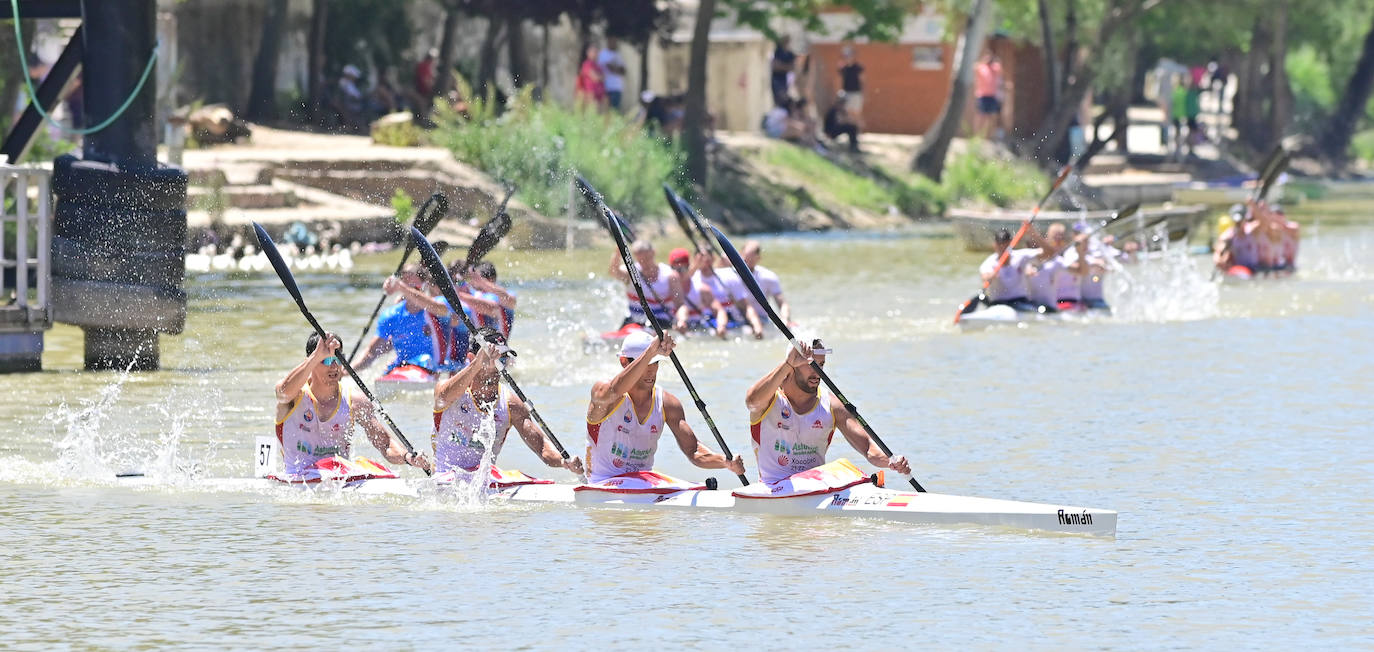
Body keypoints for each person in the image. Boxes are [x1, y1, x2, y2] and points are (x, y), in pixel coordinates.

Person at [744, 335, 909, 486]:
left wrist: (890, 461)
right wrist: (786, 365)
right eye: (811, 365)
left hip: (815, 488)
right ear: (793, 364)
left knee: (845, 468)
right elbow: (751, 402)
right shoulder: (769, 399)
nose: (818, 372)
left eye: (821, 364)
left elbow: (867, 447)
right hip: (774, 488)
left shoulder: (832, 405)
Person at [584, 330, 745, 483]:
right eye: (646, 363)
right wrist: (651, 352)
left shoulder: (667, 403)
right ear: (624, 362)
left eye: (655, 363)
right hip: (602, 482)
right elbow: (615, 389)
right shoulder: (603, 392)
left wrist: (725, 462)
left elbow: (693, 450)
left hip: (642, 482)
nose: (651, 370)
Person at [275, 332, 432, 478]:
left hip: (339, 477)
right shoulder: (293, 396)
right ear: (310, 361)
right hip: (299, 476)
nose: (334, 366)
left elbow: (385, 444)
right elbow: (283, 392)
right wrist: (317, 355)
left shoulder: (356, 402)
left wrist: (408, 458)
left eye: (338, 358)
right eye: (326, 360)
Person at [433, 327, 583, 478]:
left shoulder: (511, 404)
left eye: (503, 359)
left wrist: (564, 462)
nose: (498, 366)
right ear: (472, 358)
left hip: (483, 480)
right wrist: (477, 364)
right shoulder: (451, 390)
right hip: (446, 477)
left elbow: (542, 446)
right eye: (493, 358)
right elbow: (441, 399)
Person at [353, 264, 466, 374]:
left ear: (425, 286)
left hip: (434, 367)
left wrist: (401, 287)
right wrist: (346, 371)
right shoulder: (392, 314)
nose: (409, 291)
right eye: (405, 284)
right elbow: (372, 352)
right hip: (403, 367)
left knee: (424, 360)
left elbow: (441, 309)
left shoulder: (439, 306)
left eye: (413, 288)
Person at [608, 238, 681, 329]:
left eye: (647, 258)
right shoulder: (631, 272)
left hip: (661, 322)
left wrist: (681, 321)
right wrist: (618, 252)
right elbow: (614, 272)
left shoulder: (670, 275)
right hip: (634, 321)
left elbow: (680, 305)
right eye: (641, 260)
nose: (644, 263)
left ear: (653, 252)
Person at [671, 247, 729, 338]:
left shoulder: (701, 288)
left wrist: (721, 326)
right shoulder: (664, 286)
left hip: (697, 328)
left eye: (683, 268)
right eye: (677, 269)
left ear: (689, 267)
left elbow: (719, 310)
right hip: (674, 327)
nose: (680, 273)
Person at [739, 240, 791, 332]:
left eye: (750, 259)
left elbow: (782, 303)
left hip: (762, 319)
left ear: (758, 258)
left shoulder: (768, 277)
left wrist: (785, 319)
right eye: (745, 258)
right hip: (738, 319)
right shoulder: (730, 274)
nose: (746, 262)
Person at [979, 229, 1036, 312]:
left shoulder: (1021, 256)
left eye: (1005, 246)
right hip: (998, 304)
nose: (1002, 249)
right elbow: (984, 277)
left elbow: (1047, 253)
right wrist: (990, 275)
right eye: (999, 245)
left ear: (1010, 244)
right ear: (994, 245)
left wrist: (1033, 232)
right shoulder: (989, 262)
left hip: (1020, 301)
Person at [973, 51, 1004, 140]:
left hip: (992, 95)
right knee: (980, 115)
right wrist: (983, 61)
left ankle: (989, 135)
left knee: (991, 116)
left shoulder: (995, 68)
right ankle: (977, 135)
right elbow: (974, 67)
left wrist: (996, 61)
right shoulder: (981, 67)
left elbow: (1001, 70)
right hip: (982, 94)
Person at [837, 46, 864, 130]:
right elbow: (839, 80)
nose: (848, 57)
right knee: (847, 113)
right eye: (846, 56)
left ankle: (858, 131)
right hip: (846, 93)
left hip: (856, 93)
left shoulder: (858, 67)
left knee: (856, 113)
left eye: (849, 55)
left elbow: (863, 80)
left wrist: (864, 93)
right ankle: (851, 130)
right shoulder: (843, 68)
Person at [598, 37, 628, 111]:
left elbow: (623, 71)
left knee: (615, 110)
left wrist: (614, 68)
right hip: (606, 86)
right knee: (606, 109)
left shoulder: (618, 55)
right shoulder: (603, 54)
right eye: (612, 41)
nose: (614, 44)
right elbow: (608, 67)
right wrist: (616, 69)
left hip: (617, 87)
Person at [575, 44, 606, 110]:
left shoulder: (598, 65)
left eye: (596, 52)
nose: (595, 54)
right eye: (593, 52)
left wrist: (600, 77)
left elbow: (603, 77)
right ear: (588, 53)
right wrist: (600, 77)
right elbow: (595, 77)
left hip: (599, 94)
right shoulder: (587, 64)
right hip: (591, 94)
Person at [771, 36, 798, 108]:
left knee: (783, 96)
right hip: (776, 79)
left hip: (784, 80)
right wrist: (786, 67)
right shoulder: (777, 51)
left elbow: (793, 67)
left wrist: (781, 66)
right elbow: (774, 66)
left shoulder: (790, 54)